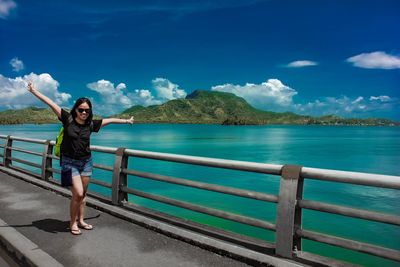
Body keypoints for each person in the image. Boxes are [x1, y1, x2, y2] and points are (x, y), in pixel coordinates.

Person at [27, 81, 134, 235]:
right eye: (81, 110)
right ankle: (72, 223)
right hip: (68, 163)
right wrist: (33, 91)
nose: (84, 113)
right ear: (75, 109)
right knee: (77, 193)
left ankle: (81, 220)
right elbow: (50, 103)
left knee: (83, 195)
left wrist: (126, 121)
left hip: (86, 163)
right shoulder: (67, 118)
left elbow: (109, 120)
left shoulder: (91, 124)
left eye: (87, 110)